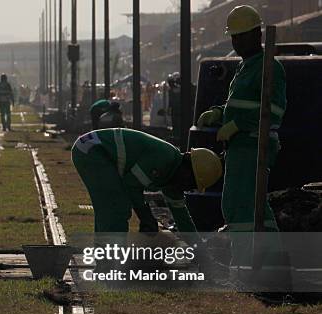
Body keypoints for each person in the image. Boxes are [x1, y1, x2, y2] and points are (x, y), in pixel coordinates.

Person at [197, 5, 287, 233]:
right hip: (240, 147)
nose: (236, 42)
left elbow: (274, 111)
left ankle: (258, 257)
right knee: (238, 205)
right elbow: (239, 104)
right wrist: (219, 113)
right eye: (234, 37)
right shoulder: (244, 67)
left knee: (245, 205)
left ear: (257, 34)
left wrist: (237, 125)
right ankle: (255, 257)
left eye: (241, 36)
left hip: (255, 144)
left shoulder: (269, 67)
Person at [72, 128, 222, 233]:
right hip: (93, 151)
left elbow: (183, 220)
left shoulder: (173, 179)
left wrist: (200, 254)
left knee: (109, 208)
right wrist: (146, 216)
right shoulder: (164, 158)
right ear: (188, 169)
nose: (186, 188)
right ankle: (109, 265)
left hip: (93, 148)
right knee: (116, 207)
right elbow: (131, 186)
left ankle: (106, 263)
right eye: (191, 183)